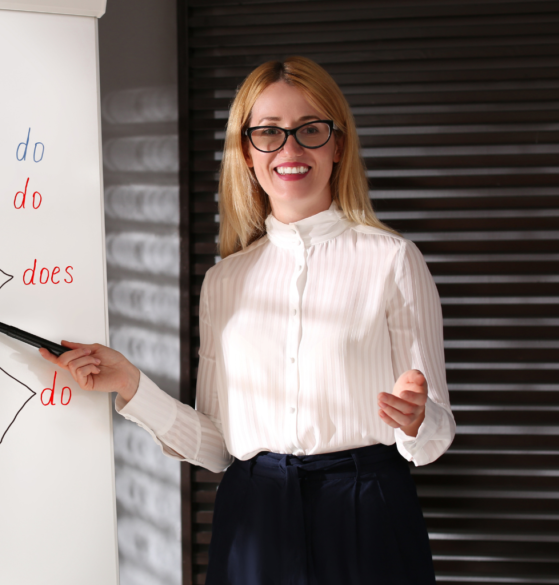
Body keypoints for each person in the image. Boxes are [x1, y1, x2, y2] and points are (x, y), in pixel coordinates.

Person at [41, 56, 455, 585]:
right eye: (269, 133)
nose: (290, 150)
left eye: (310, 130)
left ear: (338, 146)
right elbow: (217, 446)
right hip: (253, 512)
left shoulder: (394, 259)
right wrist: (130, 385)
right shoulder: (225, 281)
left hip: (366, 508)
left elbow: (437, 432)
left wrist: (417, 420)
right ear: (247, 153)